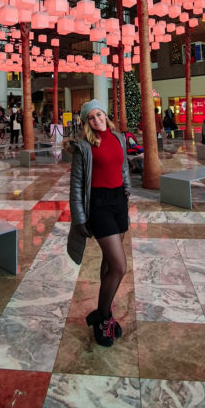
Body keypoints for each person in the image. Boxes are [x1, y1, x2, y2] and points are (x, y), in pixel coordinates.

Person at [67, 100, 131, 348]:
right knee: (119, 266)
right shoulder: (83, 147)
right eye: (91, 117)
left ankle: (103, 313)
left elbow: (123, 166)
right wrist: (80, 217)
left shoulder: (119, 139)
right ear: (86, 123)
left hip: (118, 202)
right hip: (99, 205)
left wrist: (126, 189)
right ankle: (103, 317)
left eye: (99, 114)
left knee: (108, 264)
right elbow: (76, 187)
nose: (97, 120)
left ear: (106, 115)